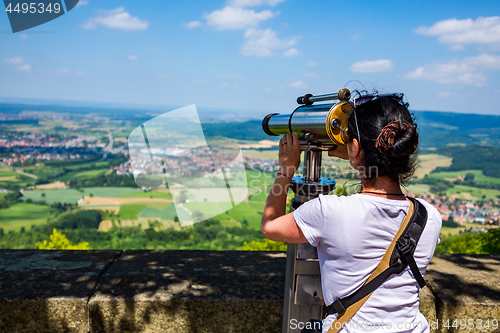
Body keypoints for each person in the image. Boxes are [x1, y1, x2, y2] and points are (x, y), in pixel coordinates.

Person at [261, 93, 442, 333]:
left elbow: (269, 226)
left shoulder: (330, 212)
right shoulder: (429, 217)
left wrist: (285, 170)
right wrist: (357, 155)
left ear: (354, 148)